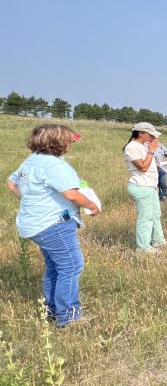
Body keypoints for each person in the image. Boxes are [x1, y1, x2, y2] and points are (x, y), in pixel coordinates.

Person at [6, 125, 100, 328]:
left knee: (55, 267)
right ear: (57, 143)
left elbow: (11, 183)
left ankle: (50, 311)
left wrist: (31, 200)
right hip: (53, 224)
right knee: (72, 265)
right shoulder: (55, 165)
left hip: (34, 224)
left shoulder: (31, 162)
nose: (70, 144)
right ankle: (69, 316)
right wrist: (92, 205)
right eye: (68, 140)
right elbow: (71, 194)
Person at [123, 122, 167, 252]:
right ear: (141, 133)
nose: (153, 138)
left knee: (155, 215)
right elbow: (142, 167)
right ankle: (143, 248)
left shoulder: (142, 146)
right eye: (150, 134)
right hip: (141, 186)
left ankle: (158, 241)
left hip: (151, 186)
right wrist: (151, 151)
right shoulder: (132, 147)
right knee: (145, 218)